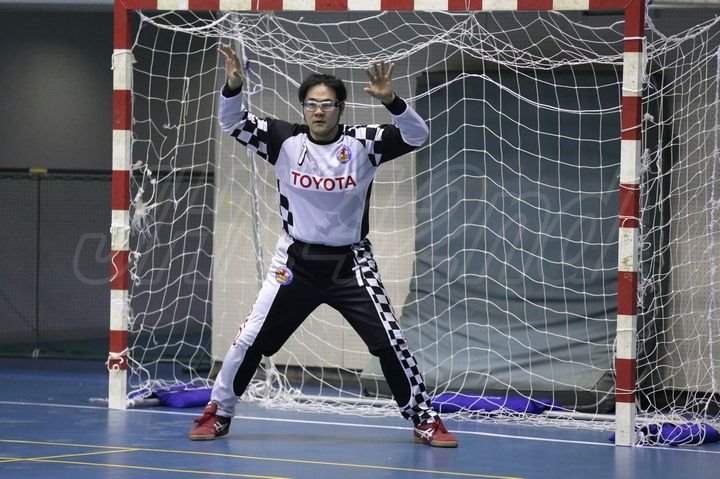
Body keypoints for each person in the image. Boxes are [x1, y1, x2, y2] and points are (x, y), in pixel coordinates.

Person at [188, 44, 458, 448]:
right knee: (249, 339)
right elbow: (231, 122)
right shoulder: (282, 139)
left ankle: (424, 420)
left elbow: (417, 135)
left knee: (391, 343)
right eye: (311, 104)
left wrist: (392, 101)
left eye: (327, 104)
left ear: (340, 108)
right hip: (294, 262)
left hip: (351, 264)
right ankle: (218, 412)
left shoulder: (365, 142)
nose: (318, 111)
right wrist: (233, 86)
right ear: (303, 108)